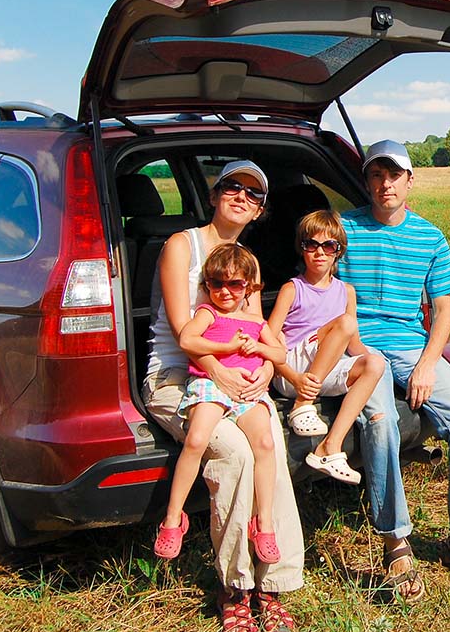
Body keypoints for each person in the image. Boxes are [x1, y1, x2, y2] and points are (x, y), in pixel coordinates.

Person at [142, 160, 302, 632]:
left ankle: (274, 583)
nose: (241, 197)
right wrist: (219, 373)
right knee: (234, 453)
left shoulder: (245, 261)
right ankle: (236, 588)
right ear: (213, 195)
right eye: (232, 186)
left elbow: (259, 330)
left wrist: (266, 369)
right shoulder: (182, 246)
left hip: (241, 376)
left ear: (259, 211)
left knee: (269, 444)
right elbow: (182, 331)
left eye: (253, 194)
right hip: (178, 374)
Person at [336, 140, 450, 602]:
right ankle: (395, 542)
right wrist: (358, 352)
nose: (385, 184)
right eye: (376, 175)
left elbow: (443, 310)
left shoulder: (430, 237)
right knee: (380, 422)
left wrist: (427, 364)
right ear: (367, 181)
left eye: (394, 175)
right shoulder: (343, 230)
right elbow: (325, 295)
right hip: (359, 348)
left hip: (412, 348)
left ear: (410, 181)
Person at [155, 243, 286, 567]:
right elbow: (187, 339)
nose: (225, 291)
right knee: (197, 439)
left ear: (249, 287)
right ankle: (173, 518)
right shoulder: (208, 313)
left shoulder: (256, 322)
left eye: (235, 284)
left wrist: (260, 349)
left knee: (265, 443)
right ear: (207, 285)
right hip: (210, 384)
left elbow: (280, 354)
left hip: (247, 390)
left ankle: (264, 523)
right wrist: (227, 347)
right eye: (217, 283)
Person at [267, 209, 385, 485]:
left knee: (375, 363)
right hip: (293, 370)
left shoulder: (346, 291)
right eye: (312, 245)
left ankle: (330, 447)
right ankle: (302, 405)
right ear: (302, 249)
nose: (320, 252)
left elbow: (353, 344)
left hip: (323, 370)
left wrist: (378, 366)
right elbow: (269, 339)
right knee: (345, 323)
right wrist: (292, 376)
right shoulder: (292, 289)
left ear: (338, 251)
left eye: (328, 245)